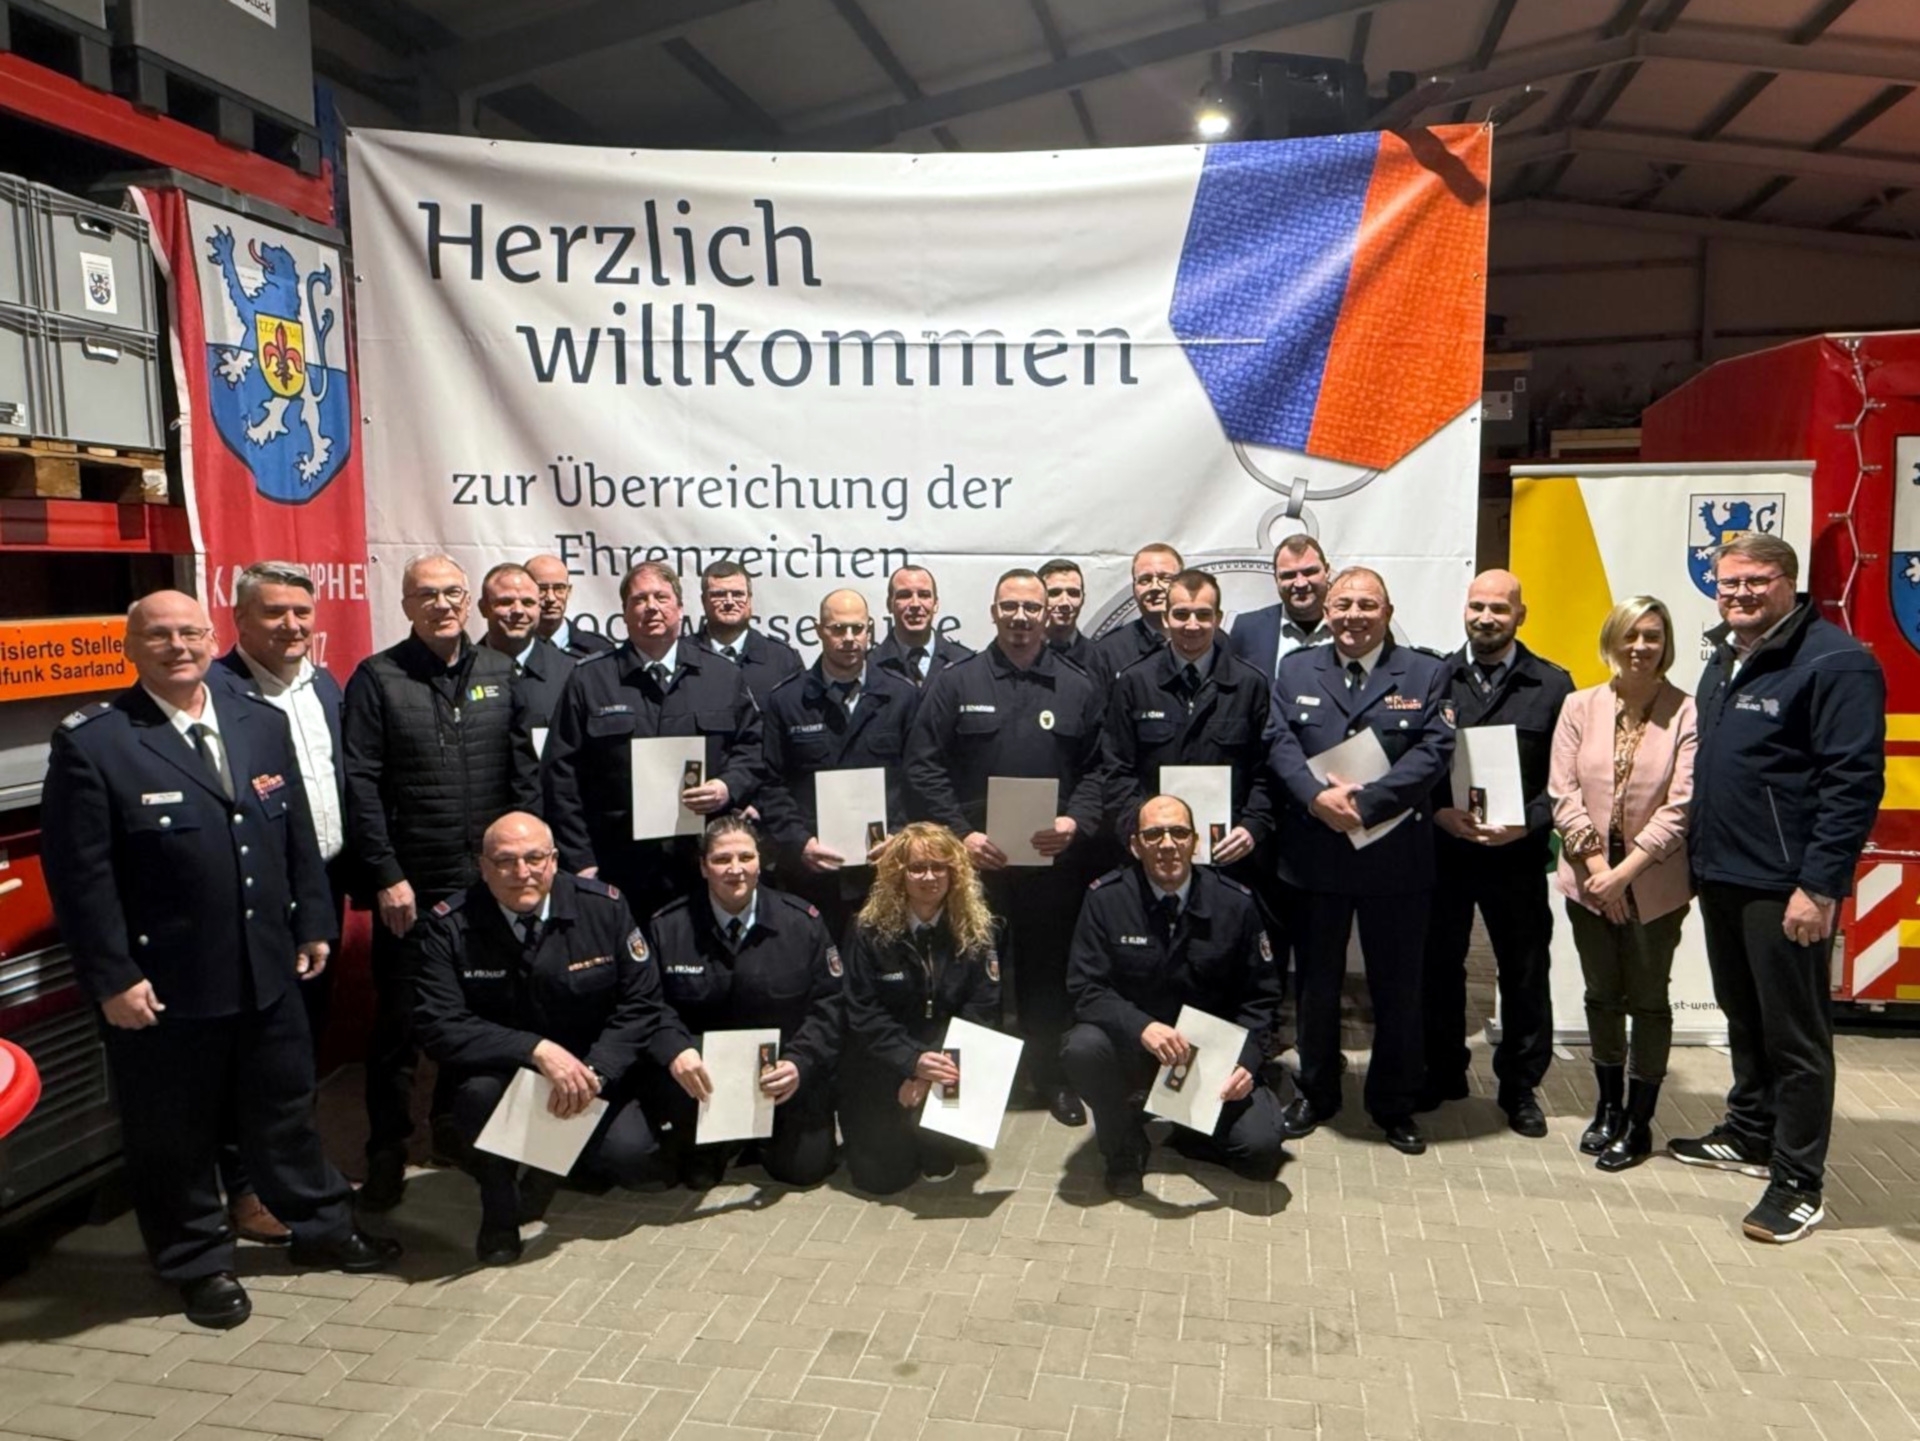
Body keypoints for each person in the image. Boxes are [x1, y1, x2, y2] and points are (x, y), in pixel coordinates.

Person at [41, 591, 398, 1329]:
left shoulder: (256, 722)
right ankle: (197, 1262)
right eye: (159, 635)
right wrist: (113, 977)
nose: (178, 645)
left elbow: (293, 826)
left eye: (190, 632)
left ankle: (323, 1228)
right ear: (131, 647)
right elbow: (82, 879)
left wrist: (313, 921)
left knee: (285, 1111)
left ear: (212, 638)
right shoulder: (96, 741)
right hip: (164, 985)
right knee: (173, 1134)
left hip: (267, 966)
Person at [1668, 536, 1884, 1244]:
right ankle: (1751, 1129)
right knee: (1743, 1015)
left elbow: (1851, 785)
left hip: (1784, 884)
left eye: (1756, 582)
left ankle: (1798, 1181)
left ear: (1789, 583)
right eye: (1728, 584)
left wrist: (1819, 886)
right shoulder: (1726, 657)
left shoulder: (1836, 662)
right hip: (1724, 873)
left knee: (1795, 1035)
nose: (1739, 595)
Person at [343, 553, 536, 1211]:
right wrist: (386, 872)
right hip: (413, 887)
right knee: (400, 1024)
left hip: (485, 886)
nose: (443, 604)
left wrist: (527, 865)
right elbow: (360, 783)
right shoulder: (378, 677)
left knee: (479, 1016)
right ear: (406, 605)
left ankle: (459, 1136)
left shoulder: (503, 673)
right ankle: (388, 1152)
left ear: (469, 602)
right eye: (428, 594)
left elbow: (524, 778)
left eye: (453, 592)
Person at [412, 813, 684, 1264]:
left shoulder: (605, 908)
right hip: (501, 1072)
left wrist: (594, 1073)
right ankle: (499, 1208)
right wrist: (534, 1050)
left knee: (631, 1158)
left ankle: (549, 1167)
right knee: (476, 1098)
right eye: (505, 861)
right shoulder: (449, 926)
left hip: (593, 1068)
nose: (522, 872)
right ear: (482, 866)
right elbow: (438, 1023)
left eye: (535, 857)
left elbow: (641, 1004)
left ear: (554, 860)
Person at [905, 568, 1105, 1127]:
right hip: (974, 867)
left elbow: (1100, 769)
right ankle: (966, 1094)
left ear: (1048, 615)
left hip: (1050, 867)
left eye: (1031, 608)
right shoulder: (956, 682)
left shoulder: (1077, 685)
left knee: (1046, 977)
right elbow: (923, 766)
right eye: (1009, 607)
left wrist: (1075, 821)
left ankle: (1050, 1079)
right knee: (970, 975)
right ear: (992, 612)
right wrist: (959, 835)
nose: (1021, 617)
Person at [1267, 567, 1454, 1155]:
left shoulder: (1426, 671)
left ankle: (1393, 1103)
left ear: (1388, 610)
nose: (1352, 615)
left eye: (1366, 605)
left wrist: (1367, 804)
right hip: (1316, 855)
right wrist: (1315, 797)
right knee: (1316, 986)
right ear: (1326, 608)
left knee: (1397, 987)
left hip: (1394, 860)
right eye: (1342, 603)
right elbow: (1278, 741)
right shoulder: (1296, 668)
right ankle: (1316, 1092)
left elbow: (1436, 749)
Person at [211, 560, 350, 1244]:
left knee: (299, 1051)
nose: (292, 625)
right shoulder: (214, 693)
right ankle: (246, 1190)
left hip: (321, 886)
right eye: (274, 612)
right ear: (238, 618)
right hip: (254, 907)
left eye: (302, 610)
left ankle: (296, 1171)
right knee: (251, 1055)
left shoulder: (323, 683)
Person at [1062, 796, 1285, 1197]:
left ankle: (1185, 1124)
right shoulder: (1106, 899)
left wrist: (1247, 1063)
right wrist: (1142, 1027)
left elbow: (1261, 998)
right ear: (1135, 845)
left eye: (1179, 832)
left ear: (1195, 842)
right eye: (1154, 834)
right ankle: (1125, 1145)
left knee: (1260, 1154)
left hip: (1207, 1061)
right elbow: (1086, 989)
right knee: (1081, 1047)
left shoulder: (1235, 903)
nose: (1167, 844)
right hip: (1136, 1050)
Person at [1419, 570, 1574, 1137]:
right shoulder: (1435, 676)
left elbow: (1566, 777)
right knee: (1437, 969)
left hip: (1516, 858)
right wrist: (1438, 810)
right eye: (1477, 607)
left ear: (1520, 616)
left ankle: (1520, 1087)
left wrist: (1527, 824)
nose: (1486, 618)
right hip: (1447, 851)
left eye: (1499, 610)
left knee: (1525, 972)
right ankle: (1442, 1072)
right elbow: (1417, 758)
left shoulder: (1552, 685)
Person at [1550, 597, 1696, 1172]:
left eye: (1653, 636)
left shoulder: (1687, 712)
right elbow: (1563, 792)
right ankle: (1607, 1106)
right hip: (1588, 882)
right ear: (1611, 640)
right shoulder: (1578, 706)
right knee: (1601, 996)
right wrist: (1594, 873)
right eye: (1630, 635)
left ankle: (1639, 1121)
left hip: (1654, 884)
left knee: (1649, 1001)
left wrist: (1624, 876)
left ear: (1667, 644)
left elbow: (1680, 808)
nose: (1640, 647)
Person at [543, 560, 765, 925]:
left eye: (661, 597)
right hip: (617, 863)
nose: (651, 607)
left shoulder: (722, 675)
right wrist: (580, 861)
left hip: (702, 860)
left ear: (680, 608)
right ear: (624, 613)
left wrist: (728, 787)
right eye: (639, 599)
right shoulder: (589, 679)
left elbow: (752, 748)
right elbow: (560, 778)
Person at [640, 818, 842, 1189]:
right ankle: (718, 1143)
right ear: (703, 866)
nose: (735, 869)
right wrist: (677, 1051)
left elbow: (829, 1004)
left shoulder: (802, 922)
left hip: (784, 1076)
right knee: (692, 1176)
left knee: (804, 1170)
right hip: (705, 1083)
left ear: (760, 861)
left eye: (746, 857)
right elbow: (651, 1005)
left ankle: (761, 1139)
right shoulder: (667, 927)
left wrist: (800, 1062)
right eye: (721, 859)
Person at [838, 823, 1005, 1194]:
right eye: (916, 868)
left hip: (947, 1052)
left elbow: (983, 1008)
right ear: (898, 874)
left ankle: (935, 1135)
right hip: (883, 1054)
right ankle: (909, 1130)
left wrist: (928, 1071)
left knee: (943, 1154)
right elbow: (862, 1012)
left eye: (939, 866)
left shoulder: (978, 928)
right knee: (881, 1179)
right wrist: (909, 1060)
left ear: (955, 873)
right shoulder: (867, 929)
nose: (929, 876)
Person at [1101, 568, 1276, 901]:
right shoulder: (1134, 683)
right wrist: (1138, 833)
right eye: (1181, 614)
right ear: (1166, 618)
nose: (1192, 625)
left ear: (1219, 618)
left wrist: (1252, 827)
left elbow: (1266, 772)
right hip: (1154, 855)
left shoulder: (1251, 685)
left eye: (1203, 615)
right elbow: (1116, 769)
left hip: (1230, 856)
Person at [758, 589, 920, 941]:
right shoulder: (786, 700)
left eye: (857, 629)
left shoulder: (903, 696)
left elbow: (918, 778)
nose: (849, 639)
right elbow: (769, 782)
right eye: (837, 629)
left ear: (871, 630)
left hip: (883, 869)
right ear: (818, 630)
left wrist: (900, 836)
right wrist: (799, 842)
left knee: (882, 972)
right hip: (810, 870)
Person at [479, 561, 574, 737]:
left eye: (528, 603)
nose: (518, 611)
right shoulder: (462, 670)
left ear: (539, 608)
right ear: (483, 608)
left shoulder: (570, 673)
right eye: (506, 602)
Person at [693, 560, 804, 708]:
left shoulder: (783, 660)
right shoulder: (682, 656)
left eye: (738, 594)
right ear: (703, 601)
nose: (729, 602)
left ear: (749, 600)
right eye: (719, 594)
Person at [1226, 534, 1333, 677]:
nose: (1300, 583)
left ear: (1327, 571)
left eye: (1309, 572)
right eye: (1289, 575)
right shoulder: (1247, 629)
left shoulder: (1349, 628)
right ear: (1275, 578)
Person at [1091, 543, 1182, 683]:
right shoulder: (1109, 651)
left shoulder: (1213, 642)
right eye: (1145, 580)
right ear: (1134, 589)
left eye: (1166, 579)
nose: (1155, 587)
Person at [871, 565, 973, 687]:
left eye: (924, 595)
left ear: (935, 604)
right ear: (889, 604)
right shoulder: (870, 665)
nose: (915, 604)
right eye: (905, 595)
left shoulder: (964, 663)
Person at [525, 553, 614, 658]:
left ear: (569, 591)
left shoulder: (599, 650)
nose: (551, 598)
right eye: (541, 589)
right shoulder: (511, 649)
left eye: (559, 588)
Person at [1040, 558, 1098, 675]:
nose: (1065, 603)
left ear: (1083, 599)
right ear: (1038, 599)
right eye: (1054, 593)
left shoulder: (1099, 658)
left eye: (1073, 593)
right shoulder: (1022, 656)